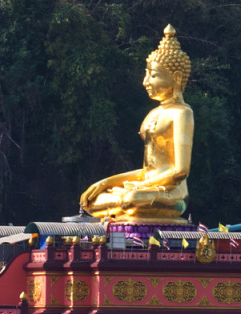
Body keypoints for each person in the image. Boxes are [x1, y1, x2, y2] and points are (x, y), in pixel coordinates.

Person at [80, 25, 193, 222]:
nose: (145, 81)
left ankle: (125, 208)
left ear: (176, 77)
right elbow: (146, 171)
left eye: (154, 75)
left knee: (131, 199)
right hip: (146, 186)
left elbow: (180, 171)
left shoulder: (182, 113)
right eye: (147, 74)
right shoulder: (153, 113)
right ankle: (123, 208)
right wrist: (106, 182)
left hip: (170, 192)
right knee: (92, 200)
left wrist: (141, 186)